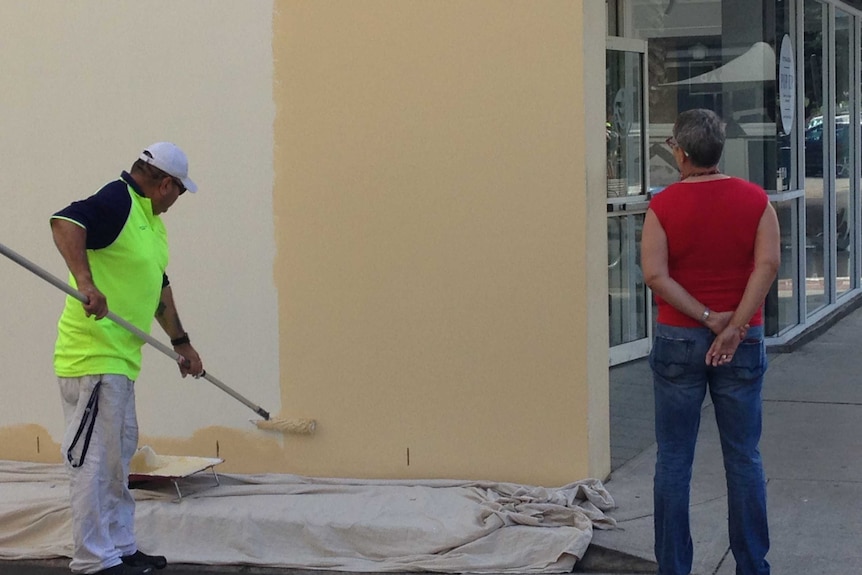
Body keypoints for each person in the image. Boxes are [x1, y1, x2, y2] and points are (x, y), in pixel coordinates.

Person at [51, 142, 205, 575]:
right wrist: (85, 281)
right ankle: (93, 560)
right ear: (165, 184)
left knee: (117, 464)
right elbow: (65, 222)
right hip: (93, 360)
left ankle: (119, 547)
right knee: (93, 466)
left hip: (120, 364)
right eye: (179, 192)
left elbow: (157, 288)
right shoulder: (118, 200)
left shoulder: (150, 222)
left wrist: (181, 343)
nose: (178, 201)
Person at [641, 109, 780, 575]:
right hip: (743, 342)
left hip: (677, 338)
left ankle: (674, 568)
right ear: (719, 150)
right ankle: (752, 566)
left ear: (680, 152)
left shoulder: (662, 207)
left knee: (674, 459)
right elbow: (767, 267)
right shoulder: (756, 201)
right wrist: (736, 327)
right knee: (743, 457)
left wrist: (705, 316)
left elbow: (655, 275)